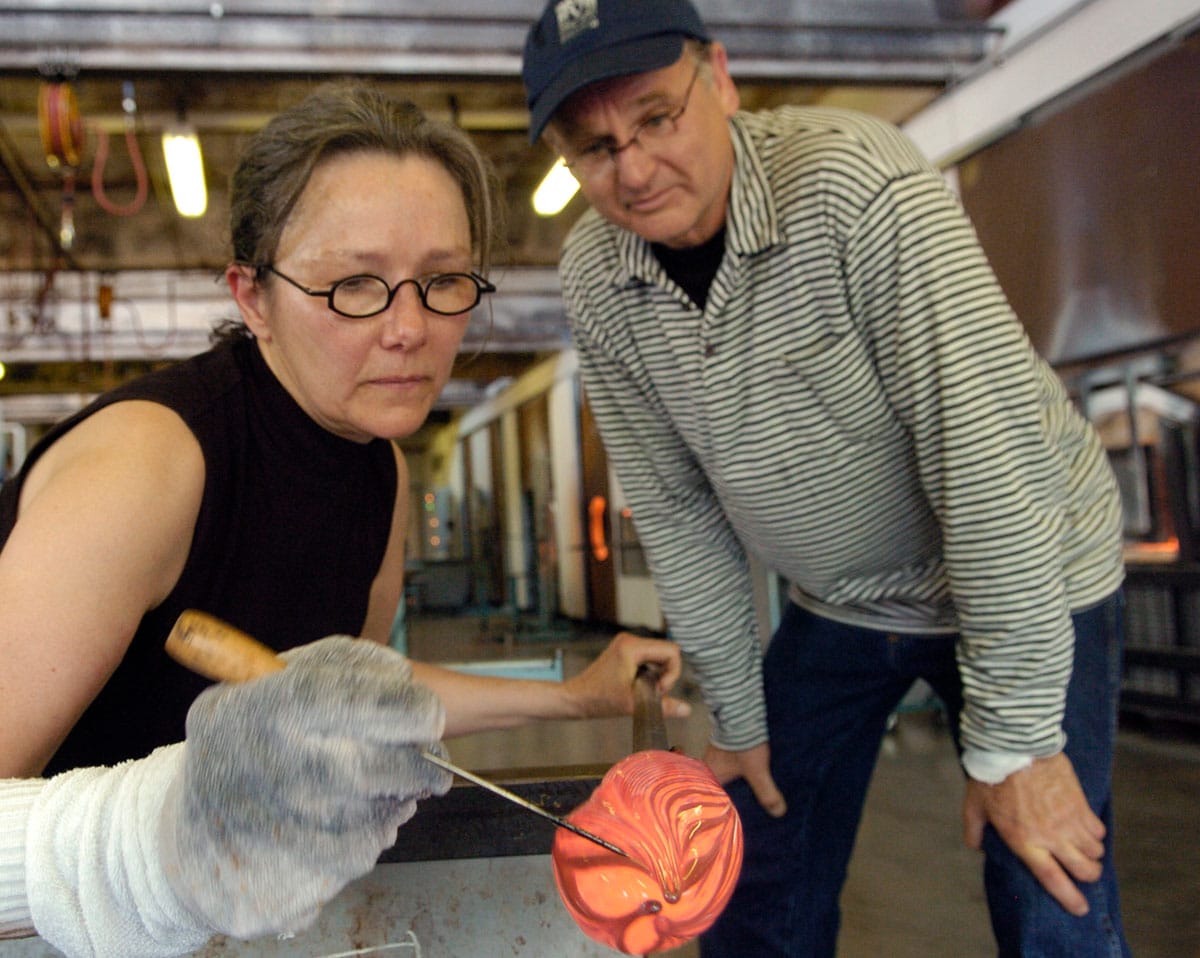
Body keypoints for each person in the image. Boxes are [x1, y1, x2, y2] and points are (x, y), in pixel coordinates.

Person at [0, 81, 684, 955]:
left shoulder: (380, 467)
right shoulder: (149, 466)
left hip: (229, 919)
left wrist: (573, 697)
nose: (409, 328)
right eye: (354, 285)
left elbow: (357, 703)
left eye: (441, 281)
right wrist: (168, 835)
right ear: (252, 297)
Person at [521, 1, 1130, 955]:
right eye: (594, 148)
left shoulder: (860, 188)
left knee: (1045, 877)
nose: (633, 170)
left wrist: (1013, 741)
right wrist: (736, 711)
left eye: (656, 117)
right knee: (751, 864)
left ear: (718, 77)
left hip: (1026, 564)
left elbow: (986, 460)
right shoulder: (600, 278)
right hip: (843, 602)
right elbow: (680, 513)